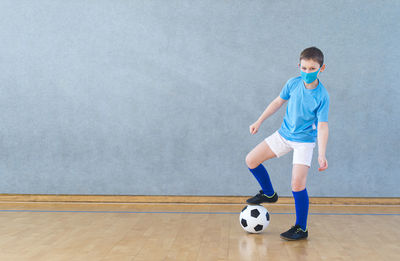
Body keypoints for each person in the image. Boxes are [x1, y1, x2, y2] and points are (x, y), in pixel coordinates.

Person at [245, 47, 330, 241]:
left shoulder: (322, 96)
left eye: (312, 68)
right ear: (299, 66)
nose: (307, 72)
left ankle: (301, 228)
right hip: (284, 135)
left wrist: (322, 154)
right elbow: (277, 103)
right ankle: (268, 194)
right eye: (304, 68)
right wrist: (259, 121)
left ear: (321, 68)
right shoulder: (293, 83)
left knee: (297, 185)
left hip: (304, 142)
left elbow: (323, 126)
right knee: (251, 160)